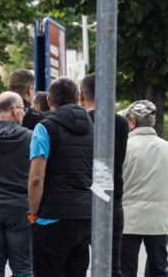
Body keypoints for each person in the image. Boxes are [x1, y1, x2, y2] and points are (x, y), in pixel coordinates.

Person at [28, 77, 93, 277]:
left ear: (49, 101)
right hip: (84, 217)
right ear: (78, 98)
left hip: (51, 217)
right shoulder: (94, 129)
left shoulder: (44, 127)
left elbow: (36, 178)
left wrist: (33, 213)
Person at [80, 74, 128, 276]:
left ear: (82, 95)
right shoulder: (121, 123)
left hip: (82, 200)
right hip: (112, 198)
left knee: (78, 264)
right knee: (112, 266)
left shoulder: (79, 122)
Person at [0, 92, 33, 277]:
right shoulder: (29, 137)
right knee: (24, 268)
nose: (25, 114)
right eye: (23, 109)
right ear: (14, 110)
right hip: (19, 208)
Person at [121, 100, 168, 277]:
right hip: (159, 222)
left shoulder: (124, 147)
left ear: (132, 122)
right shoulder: (166, 148)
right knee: (159, 269)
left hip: (129, 221)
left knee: (126, 270)